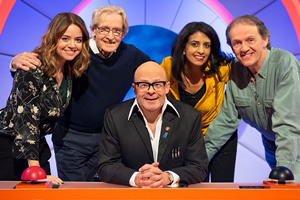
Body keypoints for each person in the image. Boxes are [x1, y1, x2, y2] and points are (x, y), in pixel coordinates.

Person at [11, 5, 151, 181]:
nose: (110, 36)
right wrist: (16, 62)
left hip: (105, 139)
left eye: (117, 30)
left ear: (123, 34)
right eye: (104, 29)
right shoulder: (76, 52)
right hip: (68, 138)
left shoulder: (131, 54)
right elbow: (42, 66)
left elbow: (154, 70)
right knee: (74, 191)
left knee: (100, 191)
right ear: (93, 30)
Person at [205, 15, 300, 182]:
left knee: (289, 189)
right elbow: (225, 122)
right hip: (272, 144)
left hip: (293, 142)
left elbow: (287, 125)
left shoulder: (285, 63)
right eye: (237, 43)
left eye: (250, 40)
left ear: (265, 40)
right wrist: (196, 163)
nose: (244, 48)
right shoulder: (235, 69)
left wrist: (283, 168)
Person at [0, 12, 90, 184]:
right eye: (65, 38)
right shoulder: (32, 66)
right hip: (8, 146)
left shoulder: (69, 69)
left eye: (78, 40)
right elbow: (27, 119)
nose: (72, 45)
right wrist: (34, 170)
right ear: (53, 38)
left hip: (38, 146)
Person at [98, 61, 208, 187]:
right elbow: (106, 166)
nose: (151, 91)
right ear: (134, 88)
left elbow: (199, 167)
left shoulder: (189, 117)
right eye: (144, 85)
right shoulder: (115, 116)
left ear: (167, 87)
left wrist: (168, 177)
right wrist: (137, 178)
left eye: (157, 84)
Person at [160, 22, 237, 182]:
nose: (201, 50)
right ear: (183, 47)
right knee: (190, 189)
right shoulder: (168, 66)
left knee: (221, 192)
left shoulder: (221, 69)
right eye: (195, 44)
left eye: (207, 45)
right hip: (185, 140)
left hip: (218, 138)